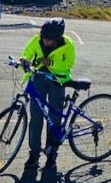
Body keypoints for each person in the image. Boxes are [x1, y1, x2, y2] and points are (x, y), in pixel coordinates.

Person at [19, 17, 76, 171]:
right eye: (44, 37)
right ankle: (34, 154)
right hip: (38, 79)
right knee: (36, 118)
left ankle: (52, 153)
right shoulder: (37, 39)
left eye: (49, 39)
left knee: (54, 118)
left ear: (58, 38)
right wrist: (24, 59)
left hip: (57, 81)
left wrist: (50, 63)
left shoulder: (68, 44)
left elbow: (69, 64)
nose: (45, 41)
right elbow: (27, 53)